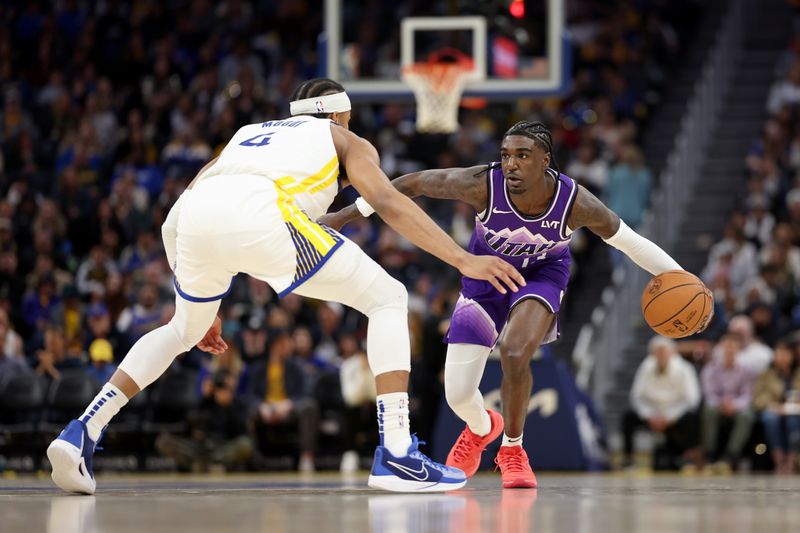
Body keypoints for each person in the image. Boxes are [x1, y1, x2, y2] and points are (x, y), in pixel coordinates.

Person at [47, 78, 524, 494]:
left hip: (190, 218)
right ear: (339, 114)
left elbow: (185, 206)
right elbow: (385, 200)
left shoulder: (247, 134)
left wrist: (205, 306)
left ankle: (82, 430)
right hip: (264, 215)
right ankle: (397, 451)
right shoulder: (344, 138)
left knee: (180, 330)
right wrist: (463, 258)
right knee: (388, 298)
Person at [322, 121, 690, 487]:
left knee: (515, 351)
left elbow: (631, 242)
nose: (511, 163)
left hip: (541, 279)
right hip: (485, 280)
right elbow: (407, 185)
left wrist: (681, 277)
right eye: (506, 155)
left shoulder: (575, 203)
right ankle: (483, 428)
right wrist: (344, 215)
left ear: (546, 160)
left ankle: (513, 450)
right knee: (459, 395)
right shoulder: (481, 184)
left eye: (523, 155)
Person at [623, 336, 701, 470]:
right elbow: (636, 396)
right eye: (657, 352)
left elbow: (692, 400)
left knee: (692, 417)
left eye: (664, 351)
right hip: (651, 414)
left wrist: (669, 417)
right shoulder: (646, 366)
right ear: (652, 354)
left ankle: (688, 459)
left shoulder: (684, 368)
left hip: (674, 414)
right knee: (627, 417)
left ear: (672, 352)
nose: (661, 355)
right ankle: (629, 459)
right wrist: (649, 415)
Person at [700, 334, 756, 472]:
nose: (729, 350)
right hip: (718, 406)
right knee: (709, 409)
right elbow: (709, 393)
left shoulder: (746, 370)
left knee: (747, 415)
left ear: (738, 349)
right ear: (720, 348)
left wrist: (733, 405)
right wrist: (722, 403)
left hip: (736, 407)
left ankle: (730, 455)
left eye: (732, 347)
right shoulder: (710, 368)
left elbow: (747, 396)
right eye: (726, 346)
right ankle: (710, 454)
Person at [752, 341, 800, 474]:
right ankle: (778, 458)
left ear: (792, 356)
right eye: (779, 353)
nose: (782, 356)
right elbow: (757, 398)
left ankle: (792, 459)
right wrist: (773, 405)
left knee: (793, 421)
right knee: (771, 419)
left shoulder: (797, 373)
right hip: (772, 410)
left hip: (794, 412)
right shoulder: (766, 374)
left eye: (785, 353)